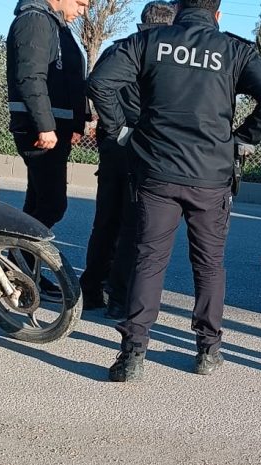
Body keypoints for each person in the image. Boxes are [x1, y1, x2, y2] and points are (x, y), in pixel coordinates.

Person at [88, 0, 261, 381]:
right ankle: (208, 351)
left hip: (156, 171)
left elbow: (100, 81)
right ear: (218, 14)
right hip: (211, 177)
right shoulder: (234, 49)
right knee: (209, 265)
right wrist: (243, 139)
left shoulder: (150, 42)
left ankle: (132, 355)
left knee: (148, 259)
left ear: (178, 8)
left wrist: (121, 130)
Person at [80, 0, 178, 312]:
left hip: (112, 144)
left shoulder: (116, 49)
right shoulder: (158, 53)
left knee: (105, 220)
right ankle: (119, 296)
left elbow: (94, 87)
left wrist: (112, 125)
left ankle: (91, 289)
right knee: (133, 224)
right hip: (141, 144)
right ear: (167, 24)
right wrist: (124, 126)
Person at [6, 0, 89, 237]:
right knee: (52, 206)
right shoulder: (35, 20)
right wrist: (45, 126)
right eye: (80, 4)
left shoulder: (53, 24)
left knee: (37, 205)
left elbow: (70, 79)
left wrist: (76, 123)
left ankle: (18, 269)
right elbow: (30, 76)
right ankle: (12, 261)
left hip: (52, 128)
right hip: (39, 130)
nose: (82, 12)